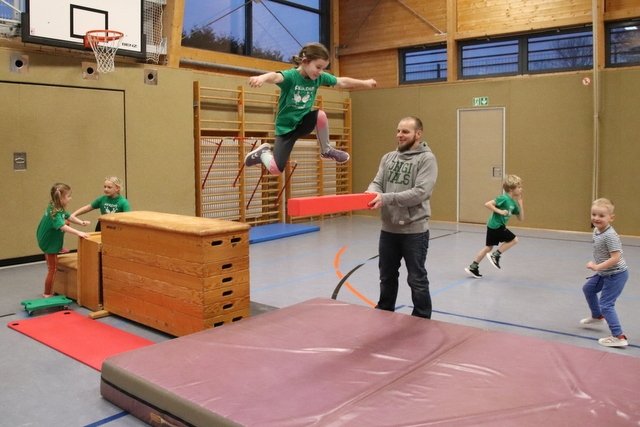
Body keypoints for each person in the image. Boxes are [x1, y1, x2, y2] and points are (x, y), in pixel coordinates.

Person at [244, 42, 377, 175]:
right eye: (318, 67)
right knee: (276, 170)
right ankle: (263, 153)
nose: (320, 72)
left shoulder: (318, 78)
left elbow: (341, 81)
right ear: (305, 61)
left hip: (303, 123)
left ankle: (326, 150)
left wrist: (364, 83)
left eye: (323, 68)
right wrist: (262, 77)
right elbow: (275, 77)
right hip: (285, 130)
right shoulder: (291, 77)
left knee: (320, 115)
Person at [365, 116, 438, 319]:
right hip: (388, 230)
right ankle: (385, 311)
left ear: (418, 134)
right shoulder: (388, 157)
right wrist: (372, 193)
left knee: (416, 279)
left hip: (414, 231)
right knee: (386, 275)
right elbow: (377, 182)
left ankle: (422, 317)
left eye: (405, 131)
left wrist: (385, 198)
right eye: (398, 131)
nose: (400, 135)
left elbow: (420, 193)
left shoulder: (427, 159)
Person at [579, 198, 629, 347]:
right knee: (588, 289)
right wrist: (599, 268)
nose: (596, 218)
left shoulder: (610, 235)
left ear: (611, 218)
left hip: (616, 274)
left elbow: (616, 257)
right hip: (605, 272)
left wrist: (597, 267)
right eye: (594, 214)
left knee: (606, 304)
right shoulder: (597, 230)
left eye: (601, 215)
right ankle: (597, 316)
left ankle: (619, 336)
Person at [465, 174, 524, 278]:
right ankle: (495, 255)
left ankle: (473, 267)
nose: (521, 189)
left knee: (488, 247)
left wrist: (520, 204)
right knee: (514, 240)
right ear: (511, 189)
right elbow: (487, 204)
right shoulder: (504, 198)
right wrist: (500, 211)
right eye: (518, 187)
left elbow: (521, 218)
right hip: (497, 225)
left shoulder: (513, 203)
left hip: (493, 225)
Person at [36, 183, 89, 298]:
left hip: (46, 235)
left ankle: (59, 247)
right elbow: (62, 226)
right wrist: (79, 232)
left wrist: (81, 222)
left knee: (66, 222)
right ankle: (47, 293)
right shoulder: (55, 213)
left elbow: (68, 216)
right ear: (61, 198)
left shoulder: (55, 206)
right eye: (68, 196)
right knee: (52, 268)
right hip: (48, 242)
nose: (70, 198)